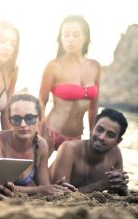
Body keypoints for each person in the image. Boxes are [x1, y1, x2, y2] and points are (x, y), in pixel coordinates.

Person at [0, 93, 75, 198]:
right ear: (9, 120)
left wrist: (55, 188)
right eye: (16, 119)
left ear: (40, 119)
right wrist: (40, 189)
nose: (23, 124)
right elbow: (1, 186)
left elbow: (44, 185)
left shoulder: (40, 145)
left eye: (30, 118)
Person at [39, 15, 101, 156]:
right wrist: (41, 129)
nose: (70, 39)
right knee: (38, 175)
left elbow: (93, 107)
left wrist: (93, 134)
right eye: (66, 35)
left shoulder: (95, 66)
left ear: (85, 37)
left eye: (75, 35)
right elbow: (41, 101)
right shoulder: (54, 66)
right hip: (51, 132)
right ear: (60, 38)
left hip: (76, 137)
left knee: (66, 177)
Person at [50, 108, 129, 195]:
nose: (102, 137)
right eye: (99, 129)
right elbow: (59, 194)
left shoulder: (115, 154)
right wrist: (100, 185)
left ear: (118, 141)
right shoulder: (69, 149)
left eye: (110, 135)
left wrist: (121, 185)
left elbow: (120, 194)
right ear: (92, 128)